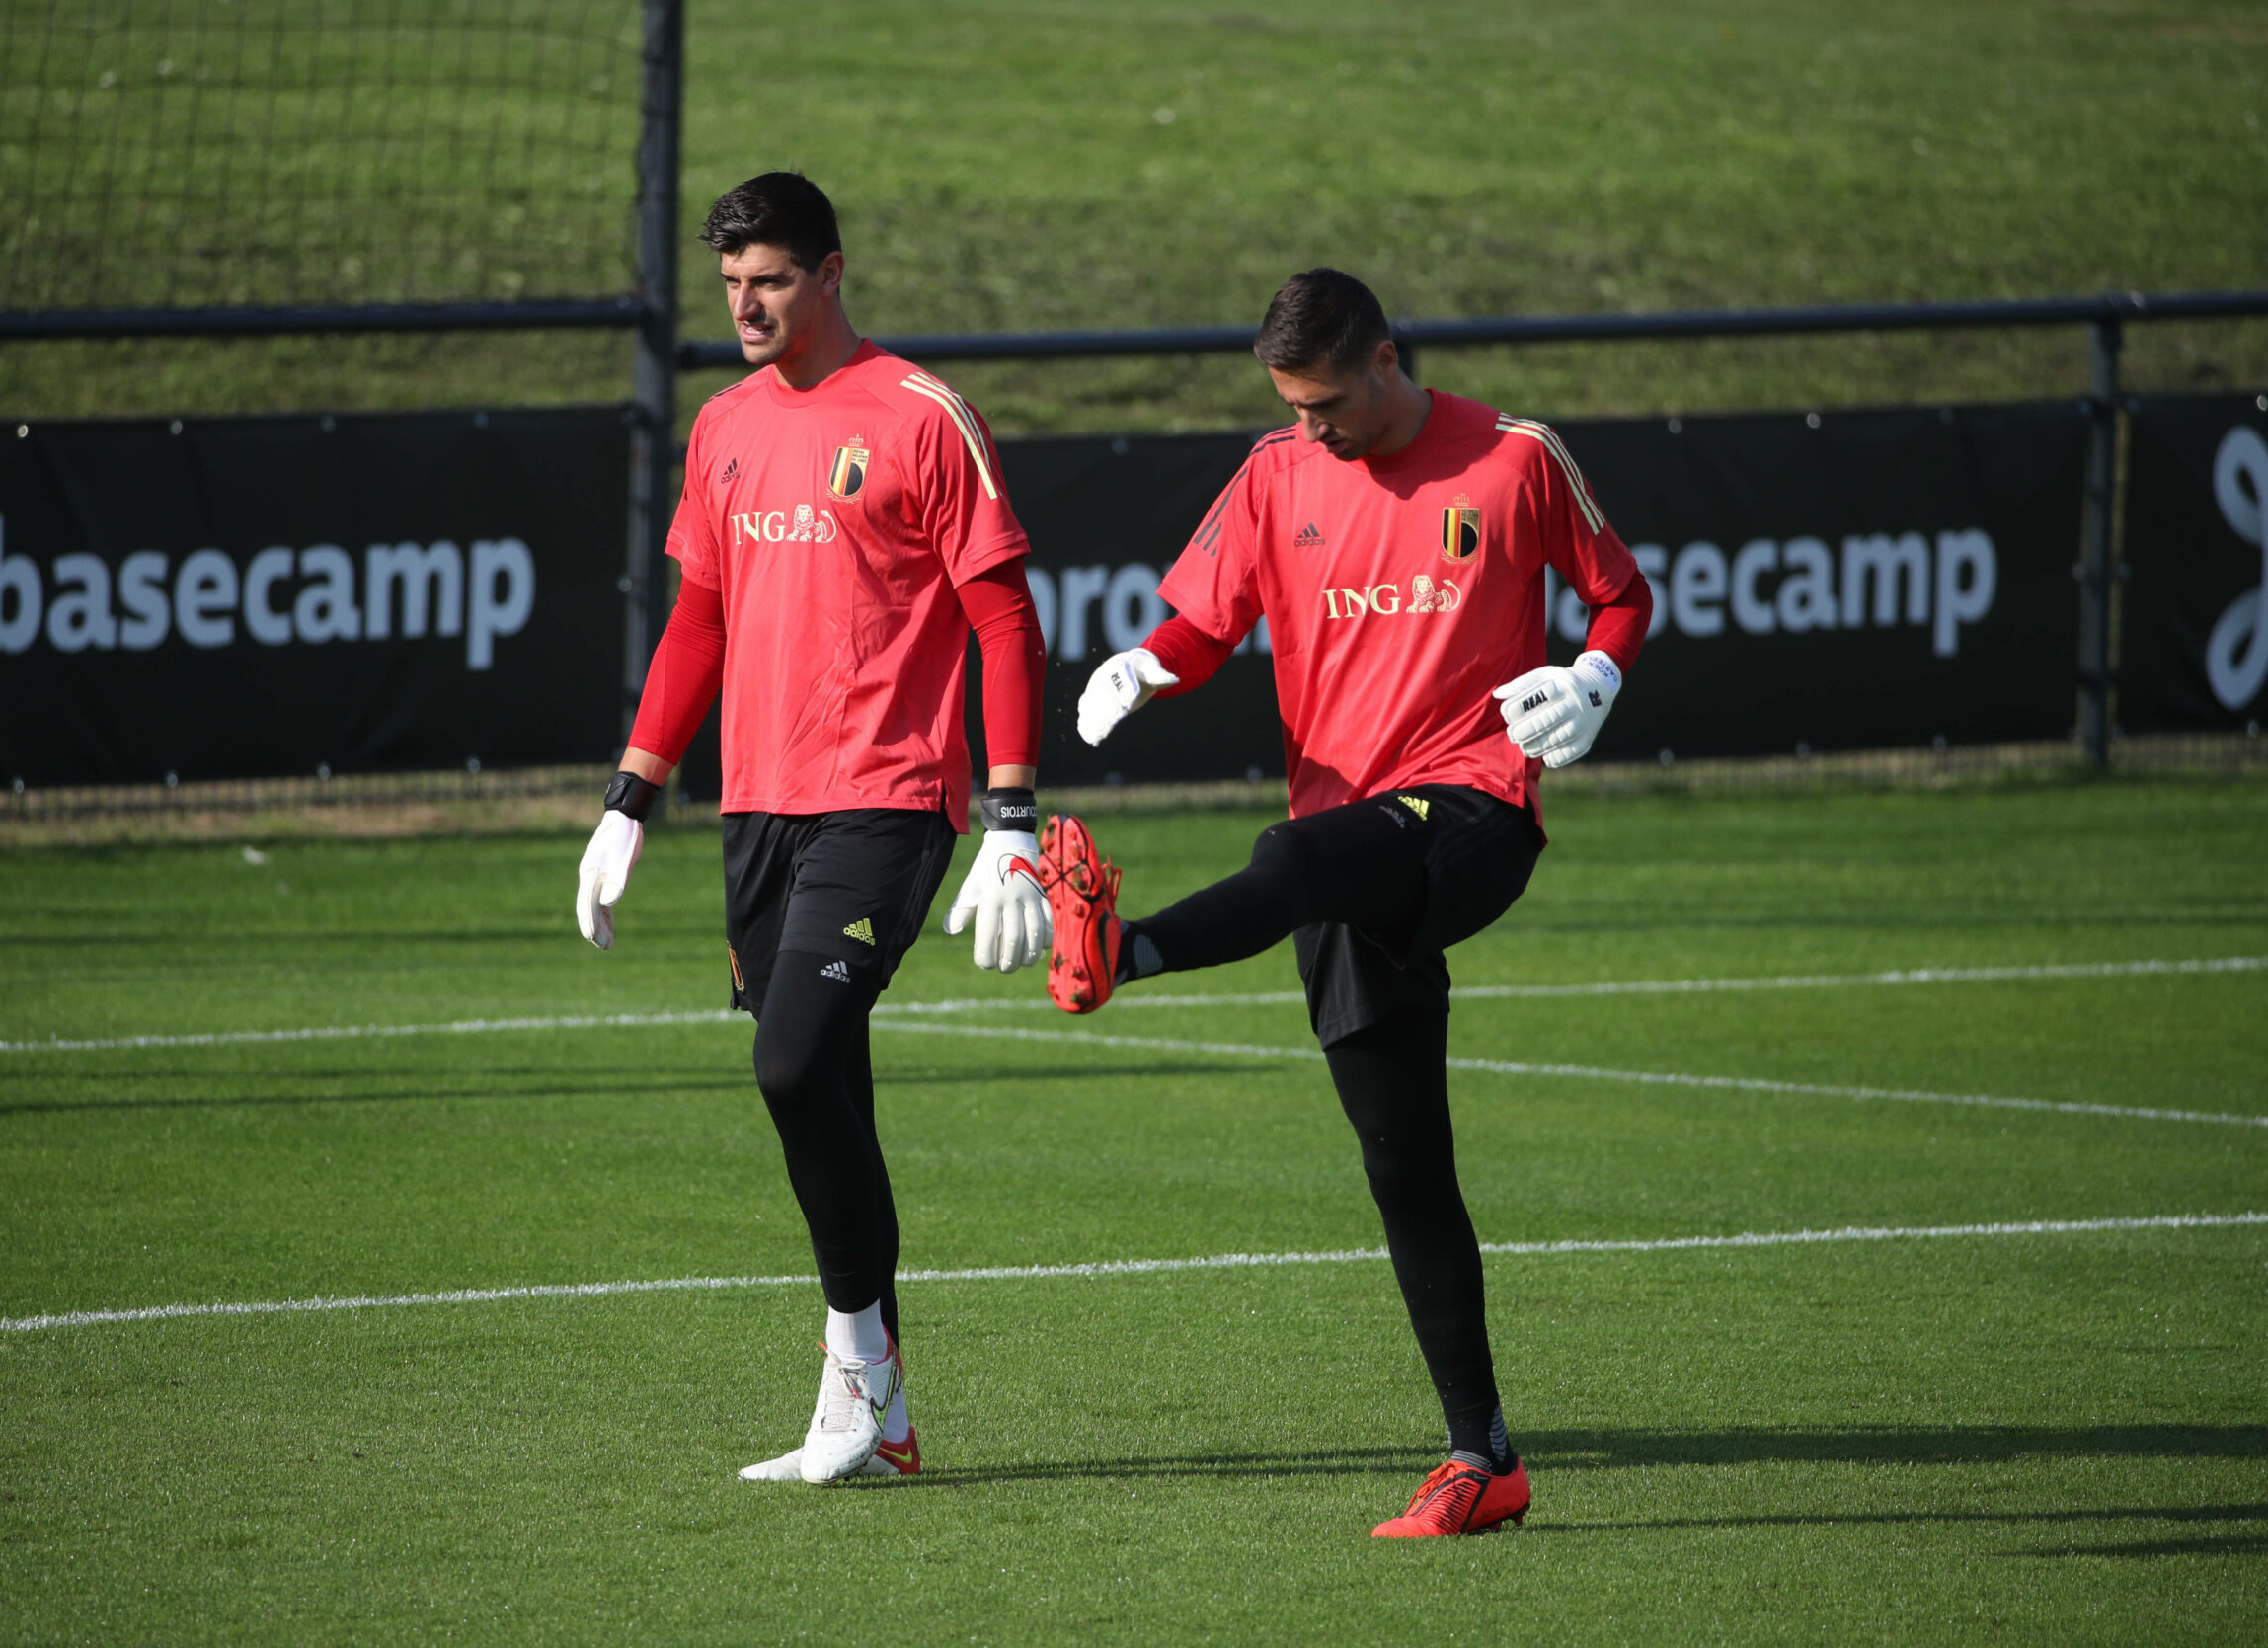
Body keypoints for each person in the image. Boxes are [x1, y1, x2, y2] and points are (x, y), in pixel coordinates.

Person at [1043, 268, 1653, 1537]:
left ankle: (1125, 947)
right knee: (1402, 1162)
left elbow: (1620, 590)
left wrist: (1594, 674)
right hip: (1342, 839)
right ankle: (1482, 1456)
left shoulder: (1515, 456)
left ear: (1385, 358)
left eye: (1326, 402)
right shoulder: (1274, 474)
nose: (1310, 428)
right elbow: (1205, 621)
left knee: (1291, 858)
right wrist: (1151, 662)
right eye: (1292, 406)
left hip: (1470, 809)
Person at [572, 172, 1051, 1486]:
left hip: (887, 798)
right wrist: (632, 796)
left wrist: (1011, 812)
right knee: (823, 1084)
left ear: (831, 274)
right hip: (759, 809)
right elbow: (699, 623)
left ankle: (858, 1378)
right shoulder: (721, 423)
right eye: (730, 284)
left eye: (771, 280)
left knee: (791, 1065)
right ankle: (881, 1419)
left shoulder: (920, 416)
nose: (747, 305)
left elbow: (1003, 618)